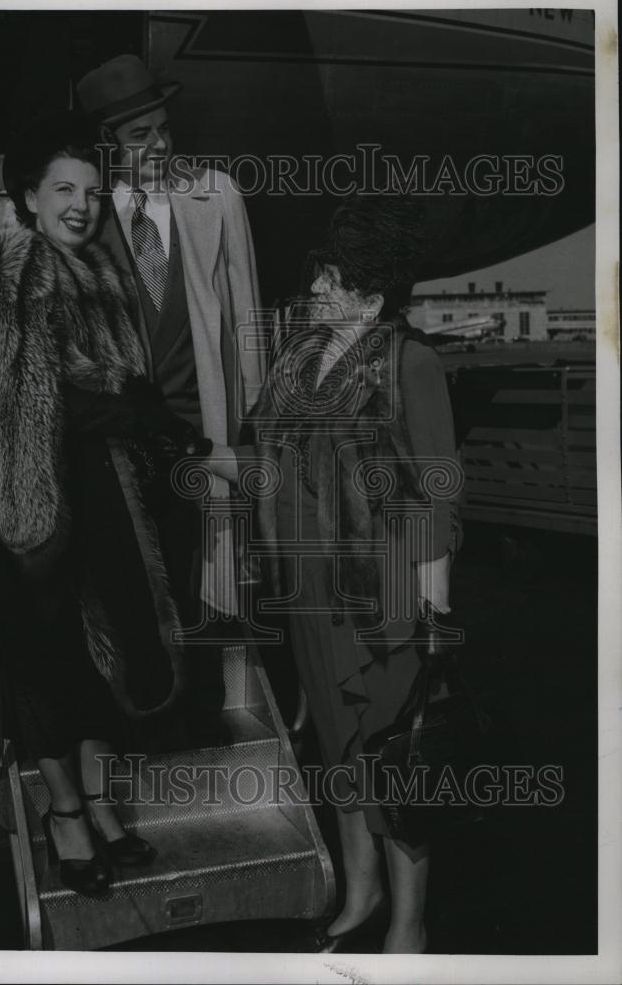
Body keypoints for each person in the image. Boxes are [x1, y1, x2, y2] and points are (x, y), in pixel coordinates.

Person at [0, 110, 209, 898]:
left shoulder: (99, 272)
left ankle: (98, 802)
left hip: (100, 493)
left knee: (108, 654)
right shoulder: (11, 263)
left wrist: (145, 421)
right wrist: (134, 410)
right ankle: (64, 813)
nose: (80, 206)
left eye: (91, 190)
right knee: (47, 663)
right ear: (27, 195)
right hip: (30, 497)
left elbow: (111, 390)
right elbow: (26, 400)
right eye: (62, 189)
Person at [251, 195, 463, 953]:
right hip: (313, 598)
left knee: (396, 761)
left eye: (331, 280)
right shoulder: (300, 361)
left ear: (372, 299)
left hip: (387, 597)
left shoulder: (412, 363)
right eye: (318, 277)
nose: (314, 290)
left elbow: (436, 495)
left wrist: (433, 624)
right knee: (339, 748)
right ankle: (361, 889)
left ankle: (409, 921)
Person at [76, 55, 265, 732]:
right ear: (108, 145)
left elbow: (245, 317)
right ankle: (146, 724)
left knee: (206, 581)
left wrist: (246, 431)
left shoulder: (215, 196)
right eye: (136, 137)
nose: (156, 147)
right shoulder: (87, 213)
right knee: (132, 584)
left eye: (160, 129)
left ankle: (206, 723)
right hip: (124, 443)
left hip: (202, 431)